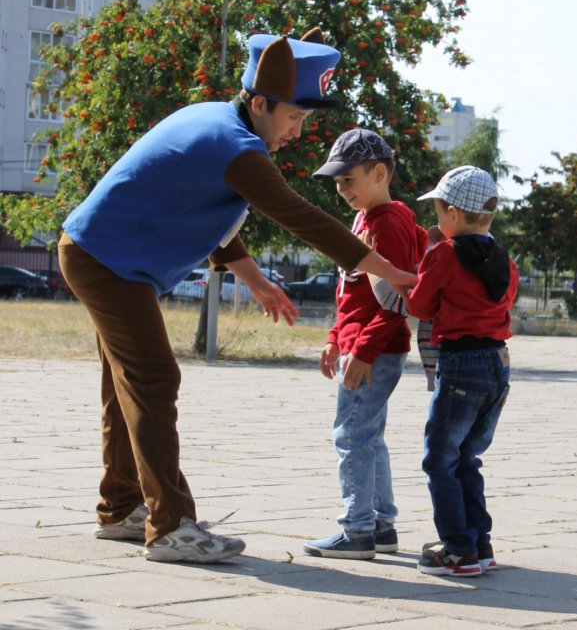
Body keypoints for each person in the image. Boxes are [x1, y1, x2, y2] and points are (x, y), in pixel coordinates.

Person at [58, 29, 417, 564]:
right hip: (109, 264)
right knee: (153, 379)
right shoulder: (236, 145)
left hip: (100, 256)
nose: (296, 132)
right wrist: (386, 269)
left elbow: (215, 213)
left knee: (125, 384)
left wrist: (254, 279)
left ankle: (123, 507)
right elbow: (298, 215)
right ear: (259, 103)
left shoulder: (216, 123)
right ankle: (171, 527)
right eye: (293, 118)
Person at [303, 128, 428, 560]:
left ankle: (357, 531)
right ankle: (380, 524)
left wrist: (364, 350)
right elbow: (352, 291)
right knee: (368, 436)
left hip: (375, 350)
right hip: (361, 345)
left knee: (351, 435)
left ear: (379, 173)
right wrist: (337, 338)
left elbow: (394, 299)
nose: (342, 190)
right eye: (337, 183)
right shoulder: (365, 219)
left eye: (349, 180)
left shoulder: (389, 222)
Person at [406, 166, 519, 577]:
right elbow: (503, 302)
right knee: (467, 456)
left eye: (437, 211)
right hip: (497, 362)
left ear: (452, 214)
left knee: (439, 460)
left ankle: (457, 549)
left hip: (461, 365)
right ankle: (479, 542)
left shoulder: (443, 254)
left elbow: (419, 307)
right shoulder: (505, 259)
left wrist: (425, 266)